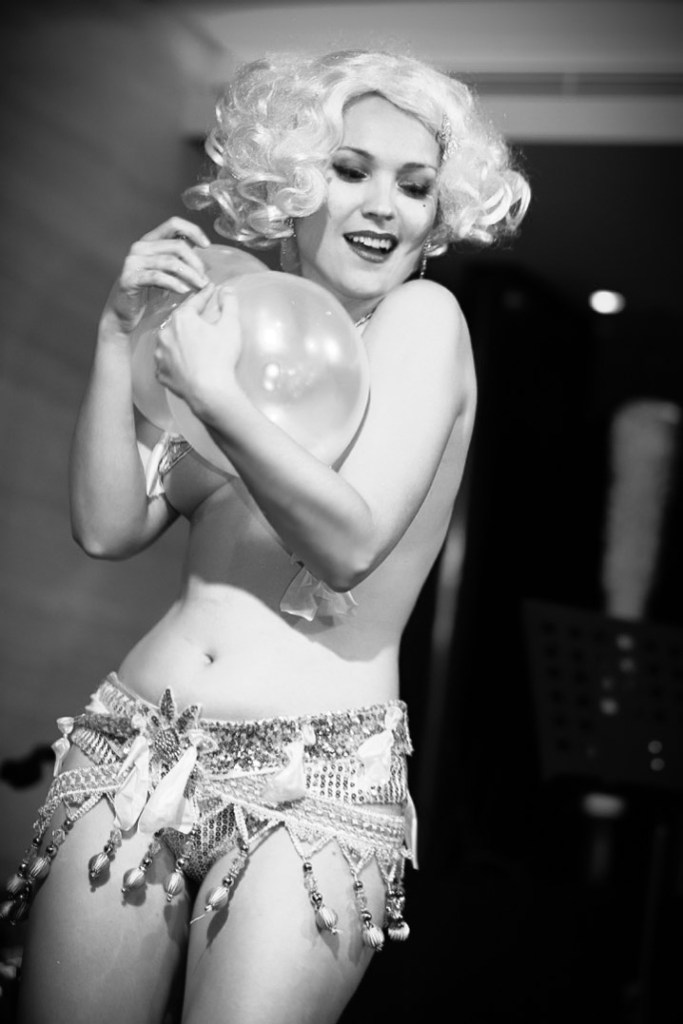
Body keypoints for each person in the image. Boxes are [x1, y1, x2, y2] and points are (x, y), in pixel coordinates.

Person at [5, 49, 529, 1024]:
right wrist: (118, 337)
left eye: (414, 186)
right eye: (349, 169)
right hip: (136, 744)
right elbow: (107, 526)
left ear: (438, 213)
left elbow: (347, 544)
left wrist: (215, 396)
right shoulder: (236, 322)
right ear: (290, 179)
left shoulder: (424, 320)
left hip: (313, 776)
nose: (383, 206)